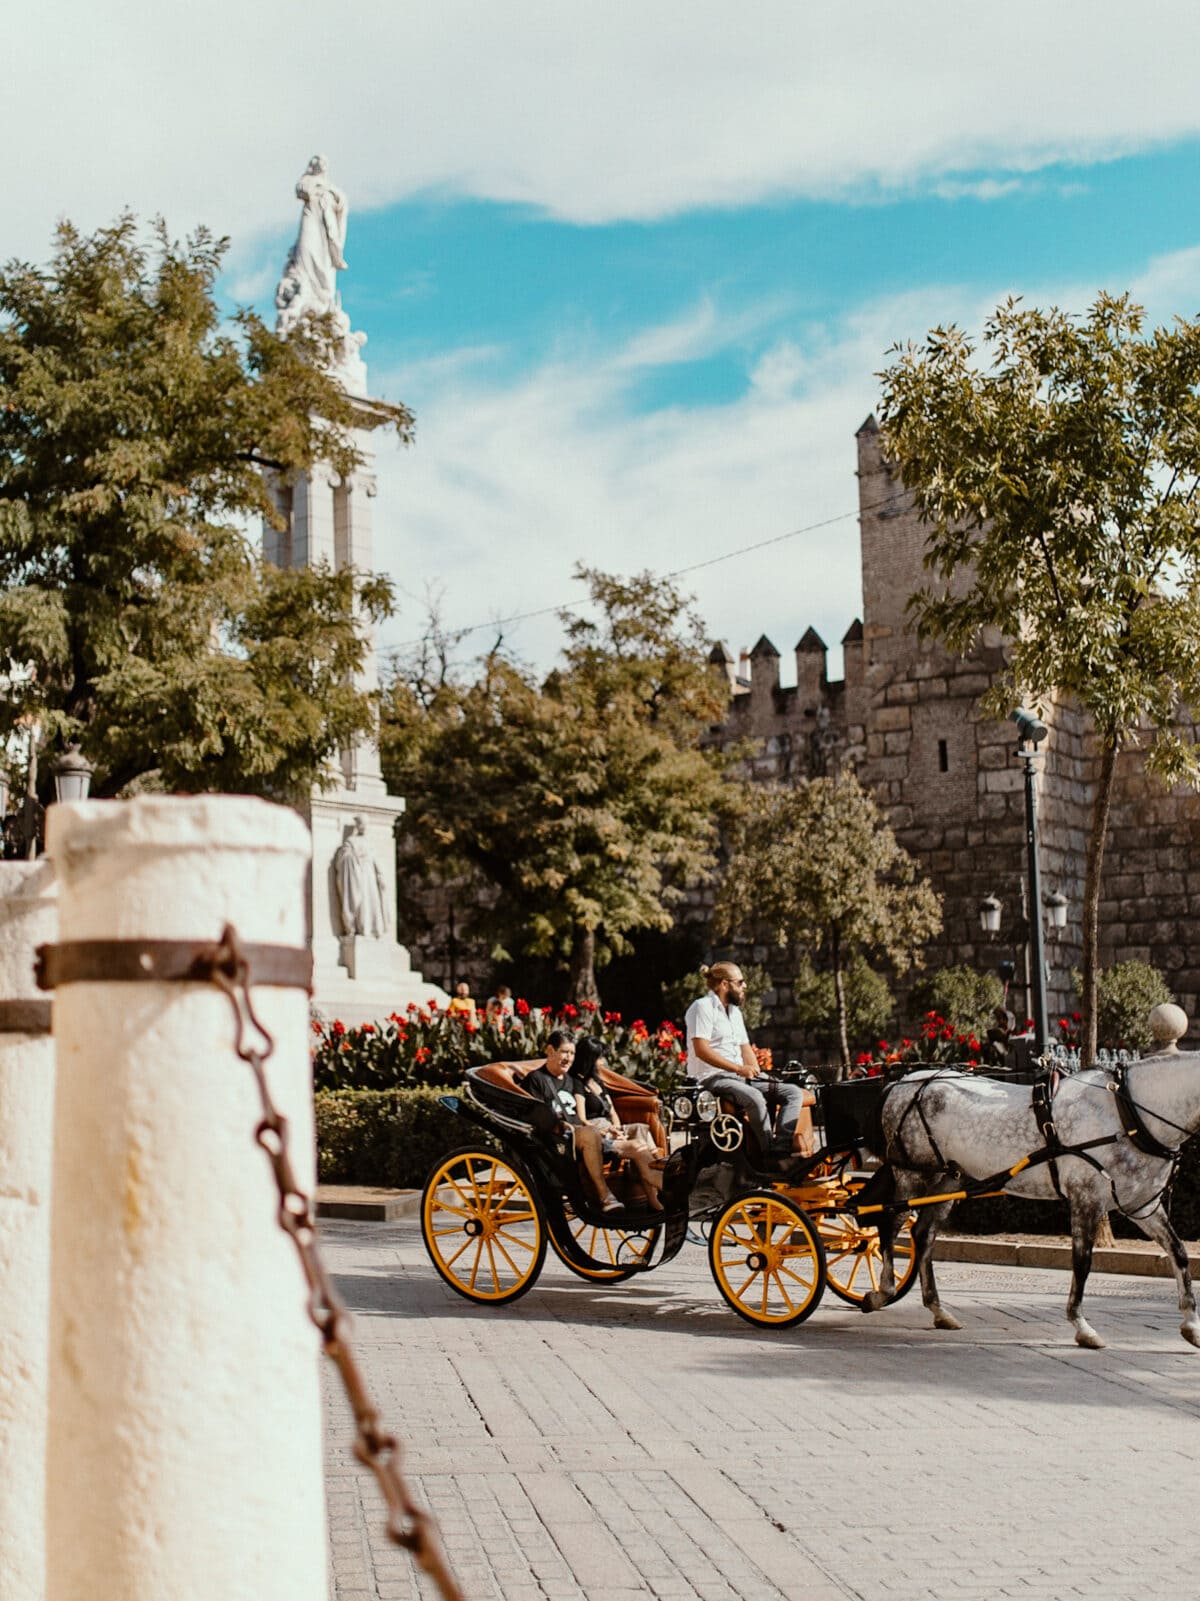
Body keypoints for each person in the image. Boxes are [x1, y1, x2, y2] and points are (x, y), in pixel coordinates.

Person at [684, 962, 815, 1163]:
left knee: (793, 1092)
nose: (745, 986)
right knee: (754, 1097)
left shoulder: (735, 1013)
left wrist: (756, 1071)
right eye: (740, 982)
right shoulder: (701, 1007)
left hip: (737, 1077)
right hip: (711, 1078)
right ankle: (768, 1155)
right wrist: (739, 1069)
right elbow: (702, 1050)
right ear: (724, 984)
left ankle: (781, 1148)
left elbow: (745, 1048)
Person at [520, 1031, 622, 1212]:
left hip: (583, 1135)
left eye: (572, 1053)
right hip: (558, 1140)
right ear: (550, 1051)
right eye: (564, 1052)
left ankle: (644, 1198)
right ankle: (604, 1196)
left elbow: (584, 1115)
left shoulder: (571, 1080)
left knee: (634, 1145)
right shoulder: (536, 1080)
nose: (569, 1058)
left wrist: (608, 1130)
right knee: (591, 1133)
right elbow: (537, 1119)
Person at [572, 1036, 664, 1212]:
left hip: (611, 1126)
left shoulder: (598, 1082)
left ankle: (654, 1171)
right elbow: (582, 1118)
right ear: (590, 1059)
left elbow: (612, 1111)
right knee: (638, 1140)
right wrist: (607, 1133)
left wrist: (618, 1129)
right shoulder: (578, 1083)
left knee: (641, 1128)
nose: (603, 1062)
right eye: (600, 1058)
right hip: (595, 1129)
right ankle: (653, 1181)